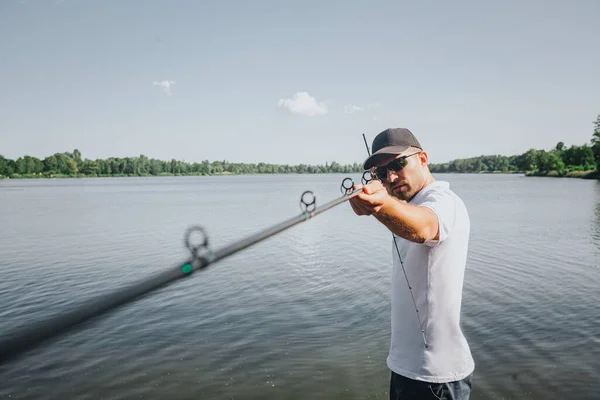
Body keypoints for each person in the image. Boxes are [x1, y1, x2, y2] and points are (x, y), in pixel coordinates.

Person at [349, 128, 474, 400]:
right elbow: (406, 214)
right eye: (382, 173)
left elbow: (424, 228)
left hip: (437, 378)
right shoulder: (411, 202)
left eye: (397, 164)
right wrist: (380, 203)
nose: (391, 177)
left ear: (423, 158)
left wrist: (381, 206)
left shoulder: (443, 201)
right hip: (405, 369)